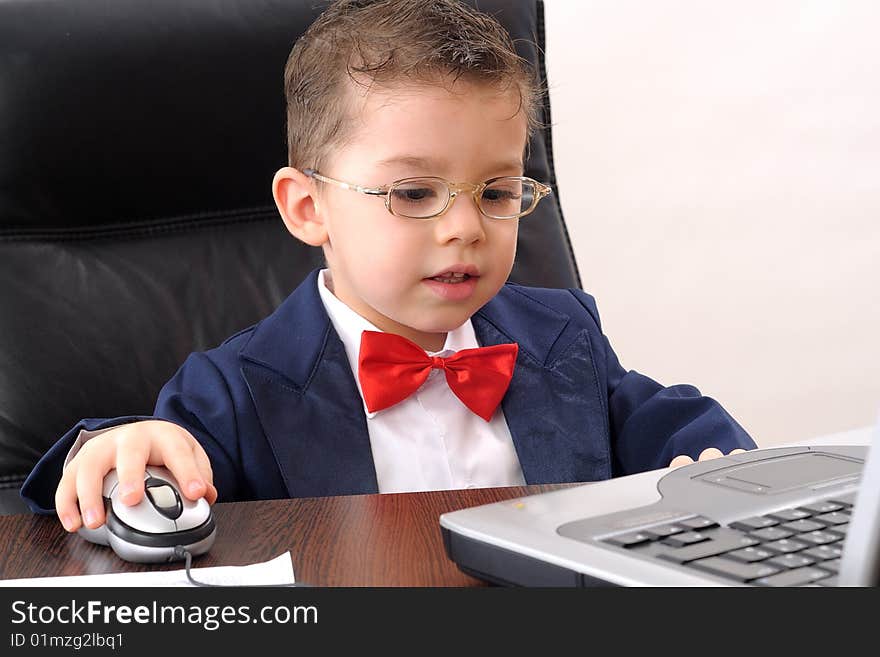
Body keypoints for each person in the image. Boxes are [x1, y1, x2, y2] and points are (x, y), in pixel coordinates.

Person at [21, 0, 756, 534]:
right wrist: (119, 451)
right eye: (413, 192)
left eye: (497, 190)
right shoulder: (233, 390)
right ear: (307, 208)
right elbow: (149, 473)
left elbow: (670, 423)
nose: (466, 225)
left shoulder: (563, 334)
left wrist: (711, 465)